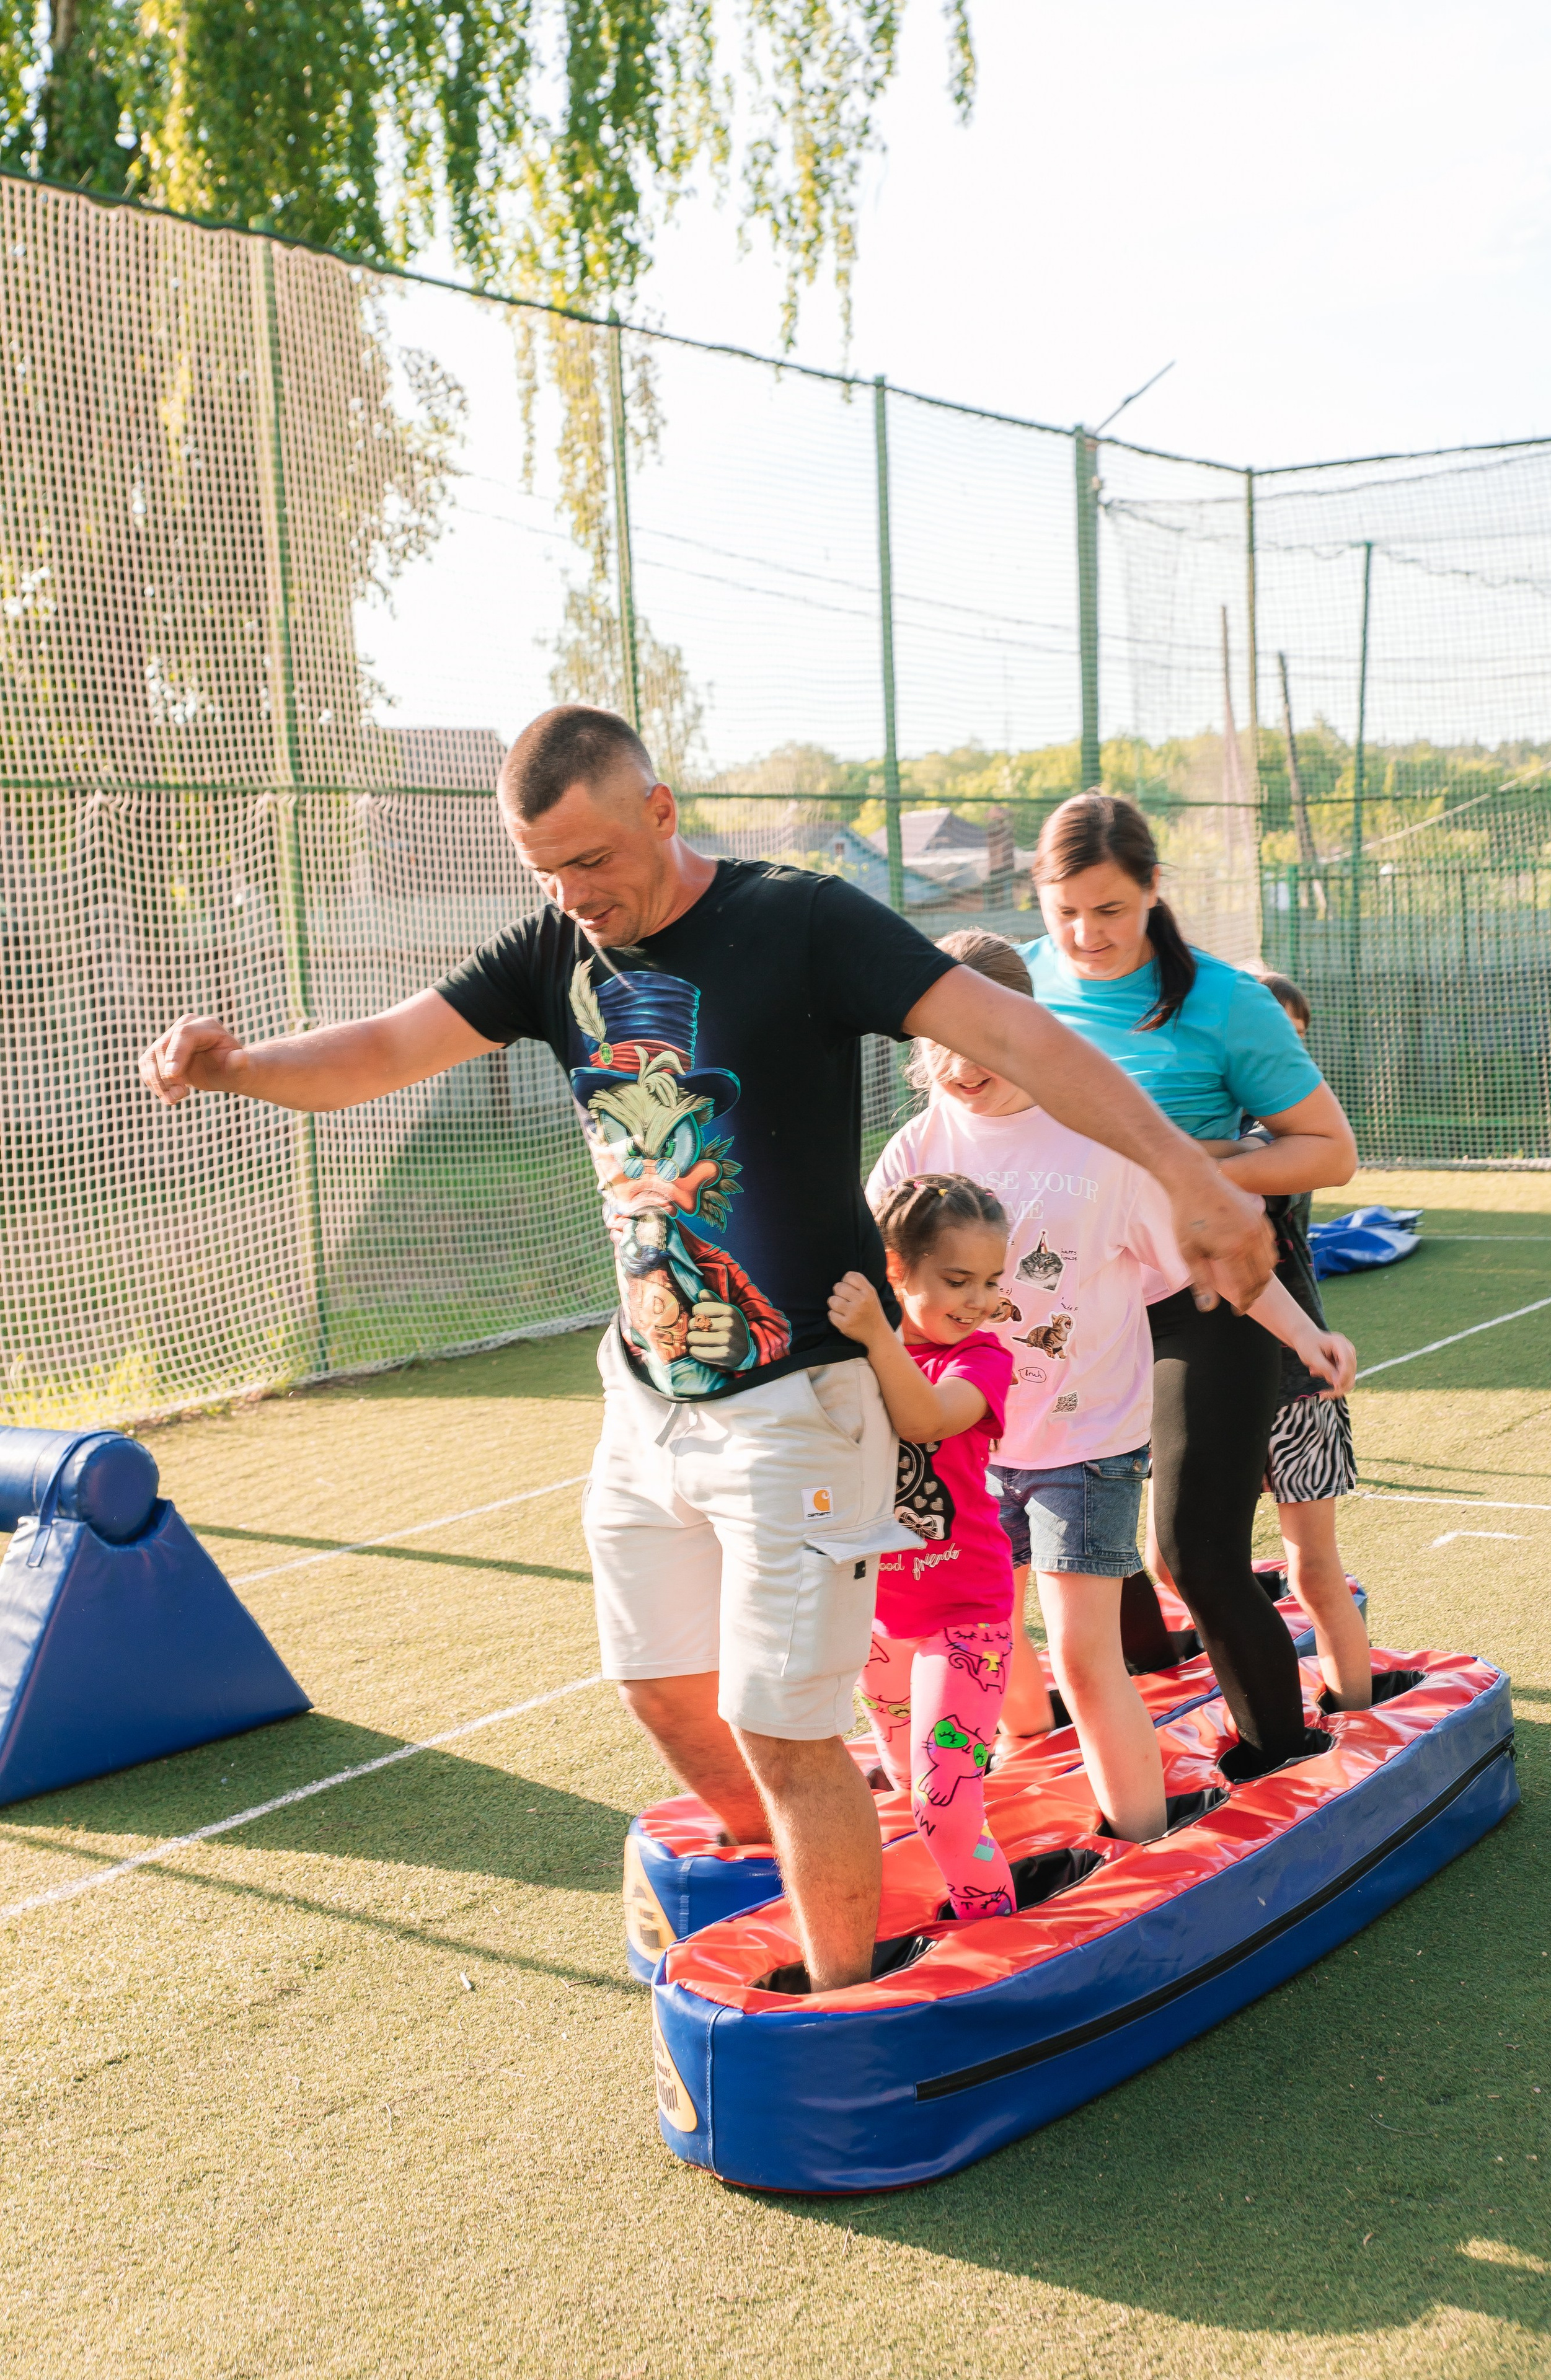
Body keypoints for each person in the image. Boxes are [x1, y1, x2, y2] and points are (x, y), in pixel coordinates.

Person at [138, 709, 1274, 1991]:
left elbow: (1021, 1039)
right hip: (644, 1401)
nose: (576, 896)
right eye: (545, 873)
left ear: (661, 814)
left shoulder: (801, 922)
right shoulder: (548, 953)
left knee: (782, 1728)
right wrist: (240, 1069)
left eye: (592, 862)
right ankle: (815, 1863)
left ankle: (846, 1991)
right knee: (664, 1693)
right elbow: (385, 1052)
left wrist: (1187, 1179)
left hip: (800, 1405)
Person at [870, 930, 1357, 1839]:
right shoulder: (915, 1148)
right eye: (936, 1043)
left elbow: (1217, 1264)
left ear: (1024, 1030)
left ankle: (1143, 1841)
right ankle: (1020, 1793)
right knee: (986, 1637)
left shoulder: (1099, 1145)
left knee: (1087, 1658)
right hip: (967, 1445)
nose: (956, 1065)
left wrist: (1306, 1333)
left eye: (978, 1043)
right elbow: (870, 1280)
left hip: (1085, 1446)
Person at [1019, 793, 1358, 1779]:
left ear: (1154, 891)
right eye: (1065, 907)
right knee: (1074, 1536)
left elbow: (1328, 1153)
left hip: (1214, 1294)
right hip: (1077, 1305)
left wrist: (1194, 1167)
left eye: (1111, 909)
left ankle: (1280, 1758)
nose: (1086, 934)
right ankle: (1151, 1682)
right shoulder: (1017, 987)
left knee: (1195, 1550)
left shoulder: (1224, 1002)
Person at [828, 1174, 1019, 1921]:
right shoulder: (846, 1358)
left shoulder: (982, 1359)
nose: (978, 1299)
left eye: (991, 1281)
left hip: (964, 1620)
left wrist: (879, 1334)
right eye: (957, 1279)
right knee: (911, 1790)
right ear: (895, 1268)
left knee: (945, 1808)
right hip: (875, 1621)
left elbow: (926, 1420)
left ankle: (999, 1941)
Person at [1249, 970, 1371, 1709]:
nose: (1284, 1058)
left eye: (1295, 1042)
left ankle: (1353, 1708)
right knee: (1178, 1563)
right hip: (1205, 1378)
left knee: (1313, 1569)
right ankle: (1261, 1678)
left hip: (1297, 1381)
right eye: (1270, 1039)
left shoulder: (1291, 1139)